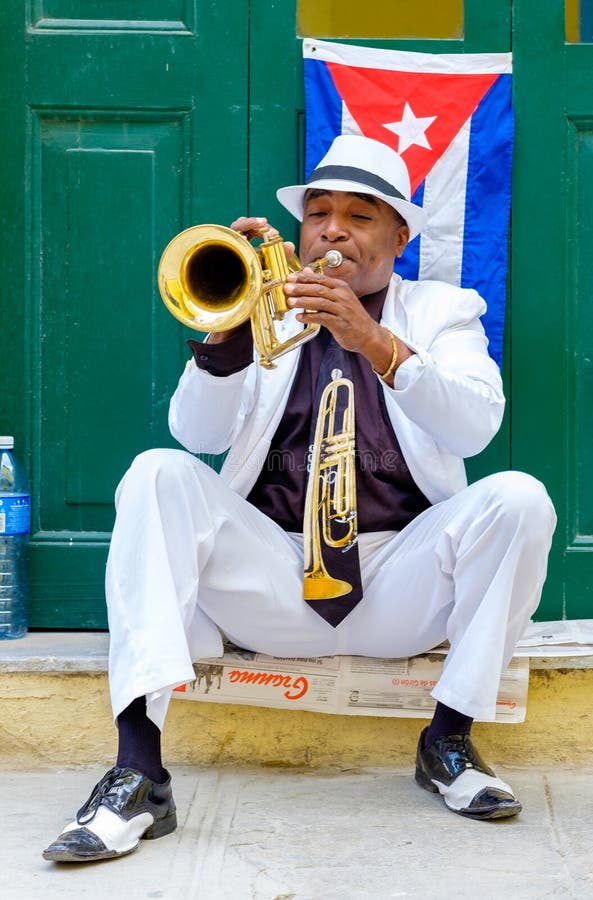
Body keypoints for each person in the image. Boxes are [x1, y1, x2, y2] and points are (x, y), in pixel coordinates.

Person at [43, 134, 556, 863]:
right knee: (156, 473)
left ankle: (448, 742)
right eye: (319, 214)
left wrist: (374, 341)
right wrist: (225, 342)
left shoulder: (442, 310)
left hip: (395, 585)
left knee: (520, 498)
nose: (334, 231)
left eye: (359, 215)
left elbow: (475, 427)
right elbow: (195, 432)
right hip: (271, 582)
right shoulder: (266, 304)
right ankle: (138, 772)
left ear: (399, 238)